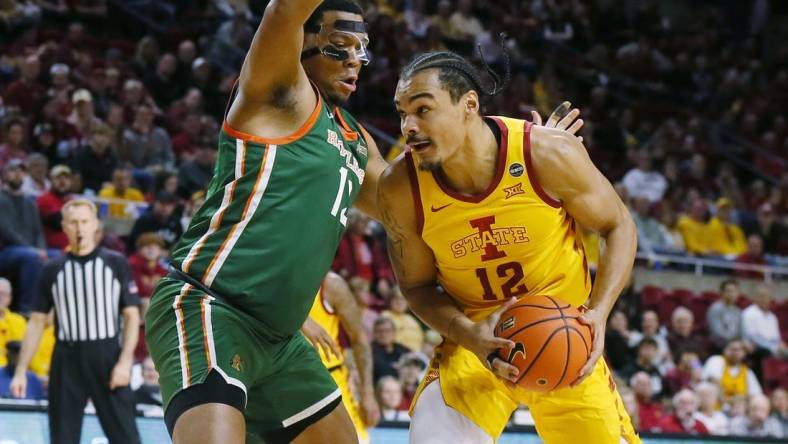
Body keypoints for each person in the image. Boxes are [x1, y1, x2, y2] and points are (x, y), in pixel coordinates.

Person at [143, 1, 390, 443]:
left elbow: (409, 200)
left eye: (362, 50)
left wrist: (513, 148)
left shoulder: (355, 138)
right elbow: (283, 12)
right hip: (212, 305)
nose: (355, 59)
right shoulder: (279, 90)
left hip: (280, 340)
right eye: (340, 46)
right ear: (304, 42)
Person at [376, 51, 639, 443]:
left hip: (566, 336)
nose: (408, 126)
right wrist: (469, 335)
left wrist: (598, 314)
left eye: (423, 110)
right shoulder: (400, 187)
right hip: (476, 343)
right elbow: (416, 288)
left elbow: (618, 225)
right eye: (402, 113)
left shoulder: (546, 154)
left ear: (469, 105)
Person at [9, 198, 141, 444]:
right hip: (66, 358)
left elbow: (132, 316)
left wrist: (124, 363)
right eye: (73, 222)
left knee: (126, 437)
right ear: (64, 227)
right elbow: (37, 322)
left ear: (95, 225)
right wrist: (20, 371)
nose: (80, 228)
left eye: (84, 221)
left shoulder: (115, 263)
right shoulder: (52, 270)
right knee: (62, 437)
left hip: (107, 355)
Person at [303, 271, 381, 443]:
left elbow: (359, 339)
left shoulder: (331, 285)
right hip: (283, 381)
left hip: (330, 379)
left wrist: (368, 393)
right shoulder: (272, 276)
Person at [0, 159, 47, 314]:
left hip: (28, 250)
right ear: (5, 175)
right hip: (5, 251)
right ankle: (27, 310)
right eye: (13, 171)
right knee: (31, 257)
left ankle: (51, 309)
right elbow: (6, 231)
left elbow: (39, 231)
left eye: (21, 171)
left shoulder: (30, 202)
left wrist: (42, 249)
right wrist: (33, 249)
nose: (17, 174)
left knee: (59, 257)